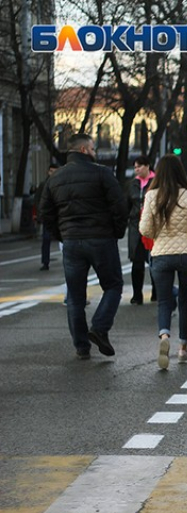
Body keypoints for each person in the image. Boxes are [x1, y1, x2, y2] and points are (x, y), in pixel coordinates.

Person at [40, 133, 128, 360]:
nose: (95, 152)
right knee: (113, 285)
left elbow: (45, 213)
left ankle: (81, 347)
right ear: (83, 150)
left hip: (71, 242)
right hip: (101, 239)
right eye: (92, 148)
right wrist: (116, 232)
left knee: (75, 296)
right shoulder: (102, 173)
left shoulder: (55, 178)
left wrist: (62, 235)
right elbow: (119, 205)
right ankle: (99, 328)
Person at [139, 155, 187, 370]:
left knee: (163, 301)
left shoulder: (151, 196)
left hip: (160, 254)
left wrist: (157, 233)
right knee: (184, 300)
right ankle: (183, 349)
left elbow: (144, 229)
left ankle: (164, 335)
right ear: (181, 172)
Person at [126, 156, 157, 304]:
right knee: (137, 262)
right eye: (135, 167)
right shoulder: (133, 184)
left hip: (152, 226)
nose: (137, 170)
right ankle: (137, 294)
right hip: (135, 226)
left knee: (154, 260)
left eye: (139, 166)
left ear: (147, 166)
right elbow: (127, 204)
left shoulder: (157, 182)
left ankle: (156, 291)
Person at [34, 163, 59, 270]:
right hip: (48, 217)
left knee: (67, 240)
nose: (52, 173)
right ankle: (45, 262)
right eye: (51, 171)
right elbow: (37, 200)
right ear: (48, 172)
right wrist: (38, 214)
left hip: (60, 216)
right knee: (46, 238)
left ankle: (72, 260)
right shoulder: (43, 185)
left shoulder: (61, 183)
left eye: (55, 171)